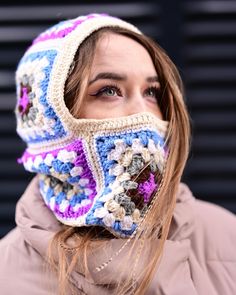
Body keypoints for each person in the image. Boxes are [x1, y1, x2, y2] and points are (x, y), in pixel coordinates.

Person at [0, 13, 235, 295]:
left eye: (151, 92)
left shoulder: (226, 235)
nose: (143, 113)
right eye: (109, 90)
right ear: (49, 120)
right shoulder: (7, 272)